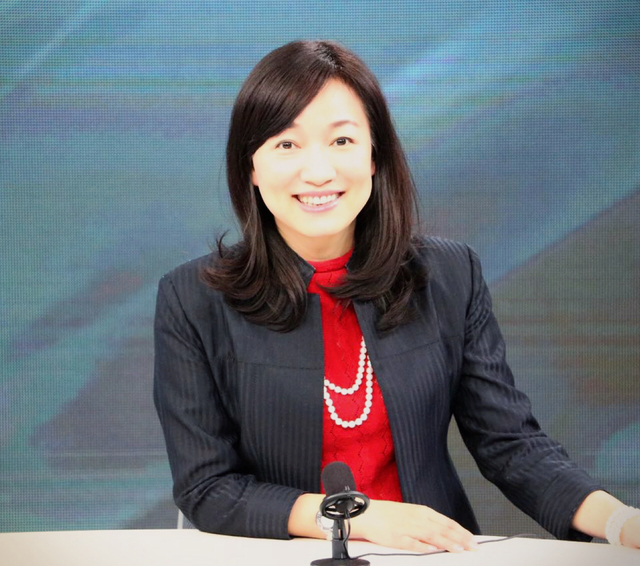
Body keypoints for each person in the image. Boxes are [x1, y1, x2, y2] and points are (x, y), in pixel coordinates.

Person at [153, 40, 640, 553]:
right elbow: (207, 488)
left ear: (375, 155)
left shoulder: (449, 276)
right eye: (286, 144)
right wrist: (355, 516)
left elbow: (512, 444)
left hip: (433, 556)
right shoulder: (192, 299)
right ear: (250, 166)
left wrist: (621, 523)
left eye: (342, 140)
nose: (317, 172)